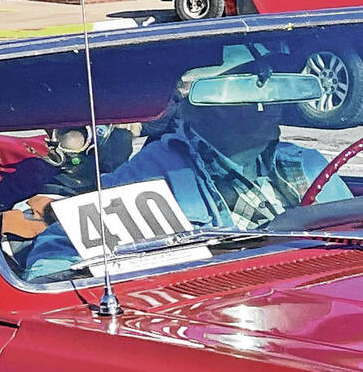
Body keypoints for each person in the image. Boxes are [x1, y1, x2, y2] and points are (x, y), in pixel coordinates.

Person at [22, 67, 353, 280]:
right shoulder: (153, 175)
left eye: (268, 93)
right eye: (242, 95)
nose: (262, 108)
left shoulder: (308, 163)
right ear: (197, 108)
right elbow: (54, 265)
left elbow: (351, 239)